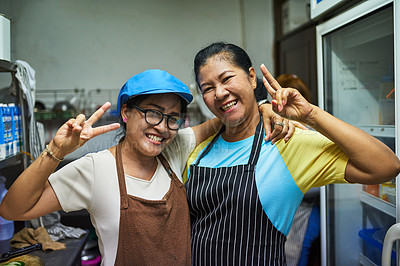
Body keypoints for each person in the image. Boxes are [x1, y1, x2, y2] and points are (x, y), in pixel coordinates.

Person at [0, 69, 293, 265]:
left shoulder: (175, 151)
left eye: (172, 118)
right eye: (152, 113)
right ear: (126, 112)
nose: (162, 128)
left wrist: (263, 106)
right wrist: (54, 152)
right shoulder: (93, 169)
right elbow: (13, 209)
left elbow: (228, 117)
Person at [184, 42, 400, 265]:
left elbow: (386, 166)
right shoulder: (199, 148)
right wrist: (264, 106)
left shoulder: (287, 142)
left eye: (226, 78)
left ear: (251, 77)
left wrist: (311, 115)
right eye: (207, 88)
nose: (219, 93)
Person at [275, 73, 319, 266]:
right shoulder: (275, 129)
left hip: (304, 214)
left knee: (293, 257)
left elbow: (316, 186)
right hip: (283, 214)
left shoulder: (312, 134)